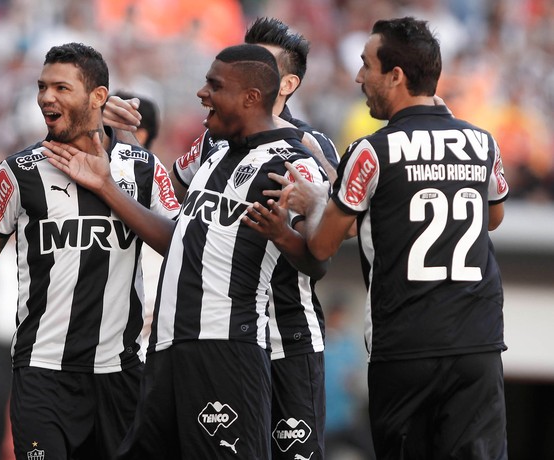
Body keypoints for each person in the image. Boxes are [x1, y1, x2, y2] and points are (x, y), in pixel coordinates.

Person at [43, 43, 328, 459]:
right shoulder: (214, 155)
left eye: (214, 85)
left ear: (250, 97)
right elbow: (178, 241)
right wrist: (105, 185)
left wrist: (293, 227)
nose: (202, 93)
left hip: (227, 346)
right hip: (170, 346)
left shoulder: (292, 161)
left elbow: (319, 257)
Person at [0, 42, 180, 460]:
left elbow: (178, 245)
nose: (46, 97)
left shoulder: (142, 168)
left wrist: (107, 187)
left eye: (61, 88)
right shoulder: (20, 171)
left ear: (98, 97)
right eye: (42, 87)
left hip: (119, 372)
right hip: (42, 373)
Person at [276, 17, 510, 460]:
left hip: (405, 347)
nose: (359, 77)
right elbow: (492, 217)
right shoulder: (482, 142)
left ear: (396, 75)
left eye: (367, 65)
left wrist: (315, 202)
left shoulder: (372, 149)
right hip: (477, 345)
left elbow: (323, 245)